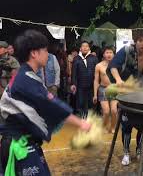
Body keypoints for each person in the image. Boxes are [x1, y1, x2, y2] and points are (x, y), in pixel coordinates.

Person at [0, 30, 91, 175]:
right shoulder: (25, 79)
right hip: (20, 146)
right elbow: (52, 105)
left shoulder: (26, 75)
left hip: (23, 142)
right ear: (34, 53)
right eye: (45, 50)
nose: (47, 54)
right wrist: (81, 123)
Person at [107, 30, 143, 166]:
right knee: (126, 125)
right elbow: (113, 66)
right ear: (135, 41)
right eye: (140, 40)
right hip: (126, 94)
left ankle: (139, 151)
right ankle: (126, 153)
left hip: (142, 96)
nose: (142, 44)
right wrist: (119, 80)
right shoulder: (126, 51)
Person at [71, 41, 98, 117]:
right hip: (80, 85)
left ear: (89, 48)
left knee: (91, 102)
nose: (85, 47)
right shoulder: (76, 59)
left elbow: (97, 73)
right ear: (80, 48)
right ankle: (82, 118)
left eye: (86, 46)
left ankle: (90, 118)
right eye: (83, 46)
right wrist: (73, 84)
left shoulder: (94, 58)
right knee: (81, 102)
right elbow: (74, 73)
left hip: (92, 85)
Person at [93, 46, 117, 133]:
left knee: (114, 110)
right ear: (103, 54)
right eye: (107, 52)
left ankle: (113, 127)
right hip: (103, 89)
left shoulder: (117, 65)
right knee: (106, 112)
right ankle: (104, 126)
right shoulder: (98, 66)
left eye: (111, 52)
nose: (109, 54)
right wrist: (95, 95)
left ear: (114, 54)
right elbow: (96, 81)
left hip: (114, 89)